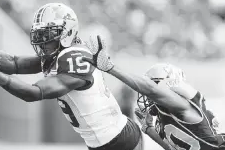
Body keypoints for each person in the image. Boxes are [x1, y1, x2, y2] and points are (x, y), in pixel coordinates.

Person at [0, 3, 143, 150]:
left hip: (121, 141)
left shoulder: (76, 59)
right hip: (103, 142)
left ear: (67, 32)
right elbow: (15, 63)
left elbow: (33, 93)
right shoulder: (58, 54)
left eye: (48, 34)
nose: (42, 41)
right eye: (40, 34)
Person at [83, 35, 225, 150]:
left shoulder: (183, 105)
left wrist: (110, 68)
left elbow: (151, 90)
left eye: (154, 82)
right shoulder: (169, 115)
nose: (146, 95)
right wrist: (150, 130)